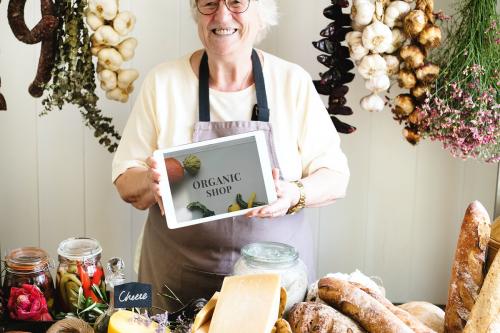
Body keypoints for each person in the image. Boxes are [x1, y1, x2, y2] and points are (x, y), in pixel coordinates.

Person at [112, 0, 350, 311]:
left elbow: (335, 177)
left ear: (261, 13)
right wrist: (151, 181)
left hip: (275, 288)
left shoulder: (292, 83)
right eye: (209, 3)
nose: (222, 15)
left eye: (237, 2)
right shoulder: (164, 83)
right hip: (176, 285)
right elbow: (125, 181)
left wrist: (294, 193)